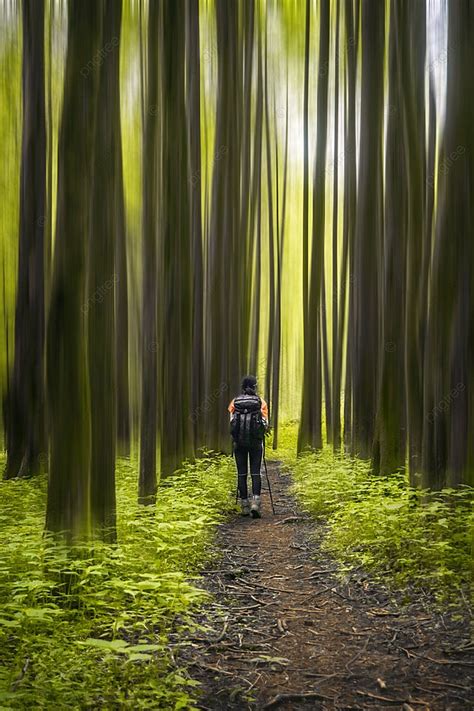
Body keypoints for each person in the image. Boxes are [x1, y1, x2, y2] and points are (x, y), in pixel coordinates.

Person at [228, 375, 268, 518]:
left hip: (239, 443)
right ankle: (255, 503)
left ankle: (244, 505)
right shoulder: (260, 402)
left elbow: (232, 422)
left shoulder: (235, 402)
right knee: (256, 472)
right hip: (256, 443)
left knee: (242, 473)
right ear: (255, 386)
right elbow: (265, 423)